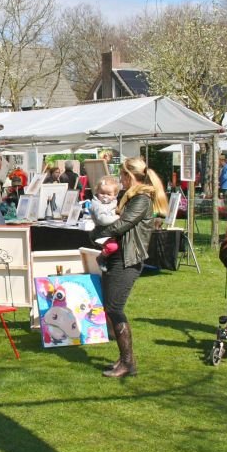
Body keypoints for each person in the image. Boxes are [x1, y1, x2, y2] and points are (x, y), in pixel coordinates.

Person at [93, 157, 168, 379]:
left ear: (129, 175)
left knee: (115, 308)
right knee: (111, 307)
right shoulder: (132, 198)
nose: (121, 180)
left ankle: (127, 362)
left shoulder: (141, 199)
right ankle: (125, 359)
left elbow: (123, 224)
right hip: (119, 256)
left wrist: (96, 233)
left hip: (128, 259)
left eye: (123, 176)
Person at [89, 176, 121, 272]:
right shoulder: (97, 205)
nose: (105, 196)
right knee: (112, 246)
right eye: (102, 193)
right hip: (101, 231)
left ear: (115, 195)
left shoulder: (113, 202)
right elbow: (102, 220)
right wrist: (118, 218)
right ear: (97, 192)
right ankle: (101, 257)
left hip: (110, 230)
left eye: (109, 194)